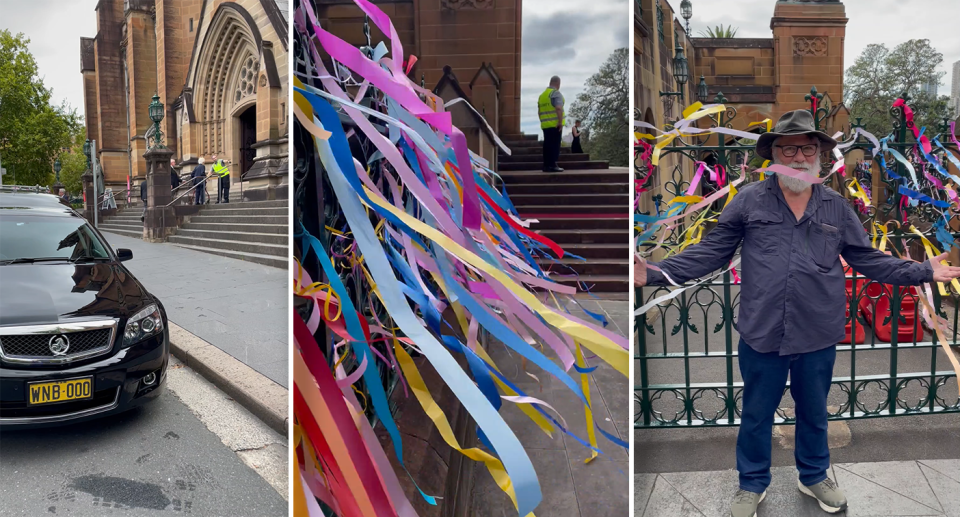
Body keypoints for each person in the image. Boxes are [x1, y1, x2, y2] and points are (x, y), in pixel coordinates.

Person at [634, 109, 960, 517]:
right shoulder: (749, 201)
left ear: (821, 154)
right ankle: (751, 483)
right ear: (774, 155)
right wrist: (653, 272)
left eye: (807, 148)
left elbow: (866, 260)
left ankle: (814, 476)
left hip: (817, 331)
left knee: (813, 412)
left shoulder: (837, 208)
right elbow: (711, 252)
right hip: (762, 330)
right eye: (789, 148)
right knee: (755, 415)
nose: (799, 157)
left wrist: (924, 269)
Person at [538, 76, 564, 173]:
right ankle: (553, 165)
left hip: (545, 124)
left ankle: (546, 165)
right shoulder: (555, 93)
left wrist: (542, 121)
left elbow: (539, 111)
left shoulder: (542, 95)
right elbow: (558, 108)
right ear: (558, 84)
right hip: (555, 124)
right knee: (554, 145)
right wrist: (560, 122)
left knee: (547, 145)